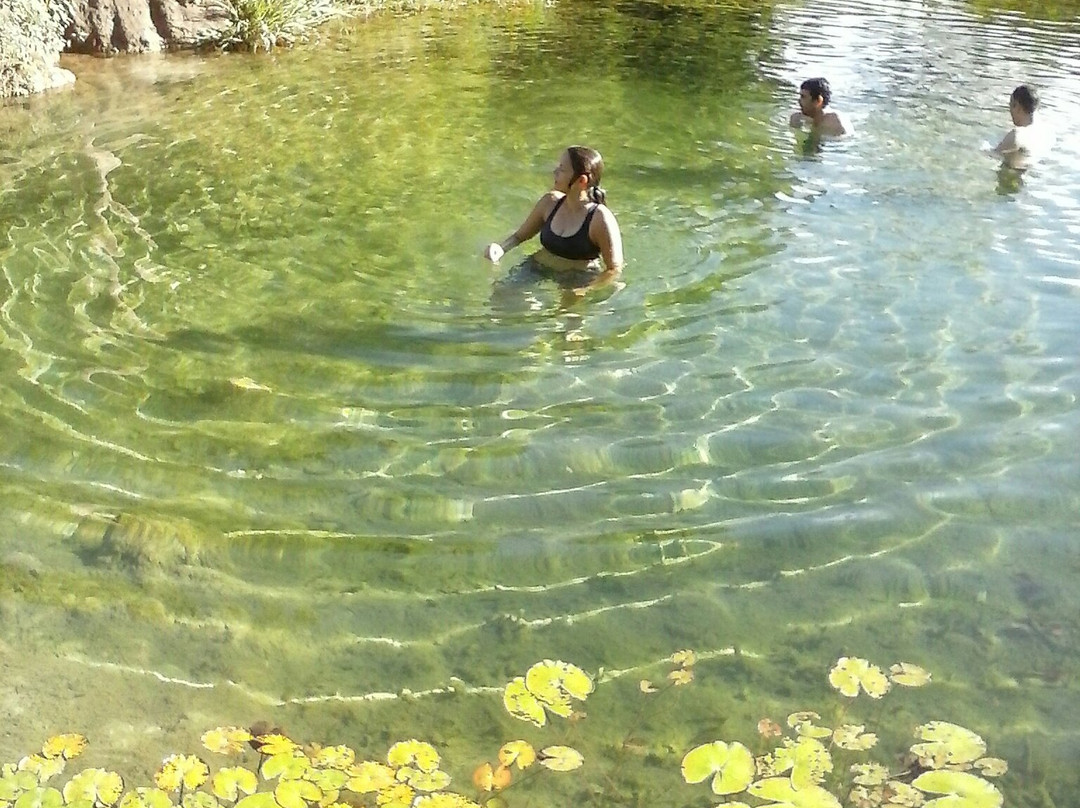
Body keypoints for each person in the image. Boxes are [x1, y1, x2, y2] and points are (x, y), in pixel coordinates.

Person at [483, 146, 623, 293]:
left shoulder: (600, 218)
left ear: (581, 180)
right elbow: (519, 236)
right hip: (537, 268)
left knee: (567, 314)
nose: (554, 172)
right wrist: (500, 249)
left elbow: (614, 269)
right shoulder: (549, 202)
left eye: (562, 169)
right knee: (500, 294)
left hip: (577, 279)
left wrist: (586, 290)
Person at [988, 84, 1048, 169]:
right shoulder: (1043, 130)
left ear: (1018, 107)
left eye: (1011, 105)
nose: (1010, 110)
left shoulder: (1016, 135)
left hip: (1011, 177)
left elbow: (992, 155)